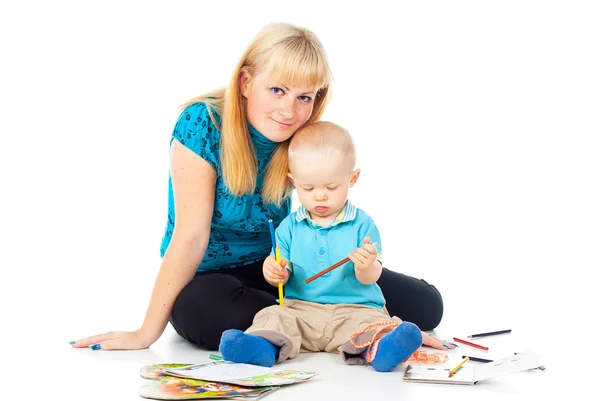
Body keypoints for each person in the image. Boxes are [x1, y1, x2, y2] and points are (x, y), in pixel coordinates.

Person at [71, 22, 444, 352]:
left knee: (427, 307)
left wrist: (357, 270)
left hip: (279, 270)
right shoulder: (203, 124)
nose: (289, 111)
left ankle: (326, 323)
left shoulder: (299, 133)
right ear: (246, 82)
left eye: (304, 97)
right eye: (277, 90)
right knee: (203, 312)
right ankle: (339, 325)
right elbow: (190, 236)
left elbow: (322, 205)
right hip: (209, 278)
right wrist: (144, 333)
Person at [218, 122, 454, 371]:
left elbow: (371, 277)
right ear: (292, 181)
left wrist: (367, 265)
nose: (320, 196)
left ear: (352, 179)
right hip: (302, 310)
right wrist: (274, 270)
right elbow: (281, 272)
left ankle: (382, 350)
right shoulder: (288, 227)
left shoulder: (363, 225)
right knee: (274, 316)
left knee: (373, 324)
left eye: (332, 187)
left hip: (354, 310)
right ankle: (261, 348)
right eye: (308, 188)